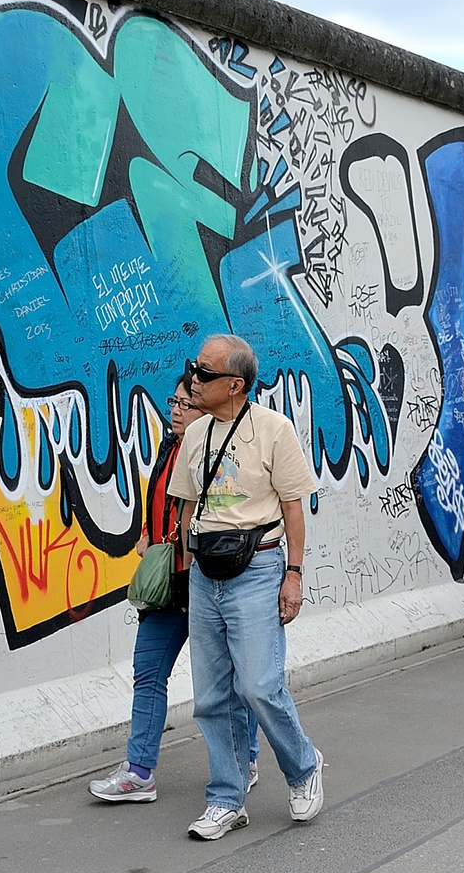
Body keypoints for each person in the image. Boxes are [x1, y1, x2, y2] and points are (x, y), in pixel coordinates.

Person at [170, 334, 324, 839]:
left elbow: (293, 506)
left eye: (205, 373)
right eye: (195, 368)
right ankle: (226, 799)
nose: (194, 378)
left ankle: (303, 768)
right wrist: (183, 563)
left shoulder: (273, 431)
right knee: (211, 696)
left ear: (235, 385)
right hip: (205, 575)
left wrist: (293, 575)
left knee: (258, 685)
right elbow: (187, 503)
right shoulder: (195, 436)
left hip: (258, 568)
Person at [90, 374, 261, 803]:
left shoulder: (217, 454)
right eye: (175, 401)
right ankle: (139, 772)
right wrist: (149, 533)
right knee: (148, 671)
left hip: (208, 583)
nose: (176, 410)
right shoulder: (170, 448)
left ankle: (247, 759)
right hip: (169, 586)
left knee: (236, 679)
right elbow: (160, 501)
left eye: (187, 404)